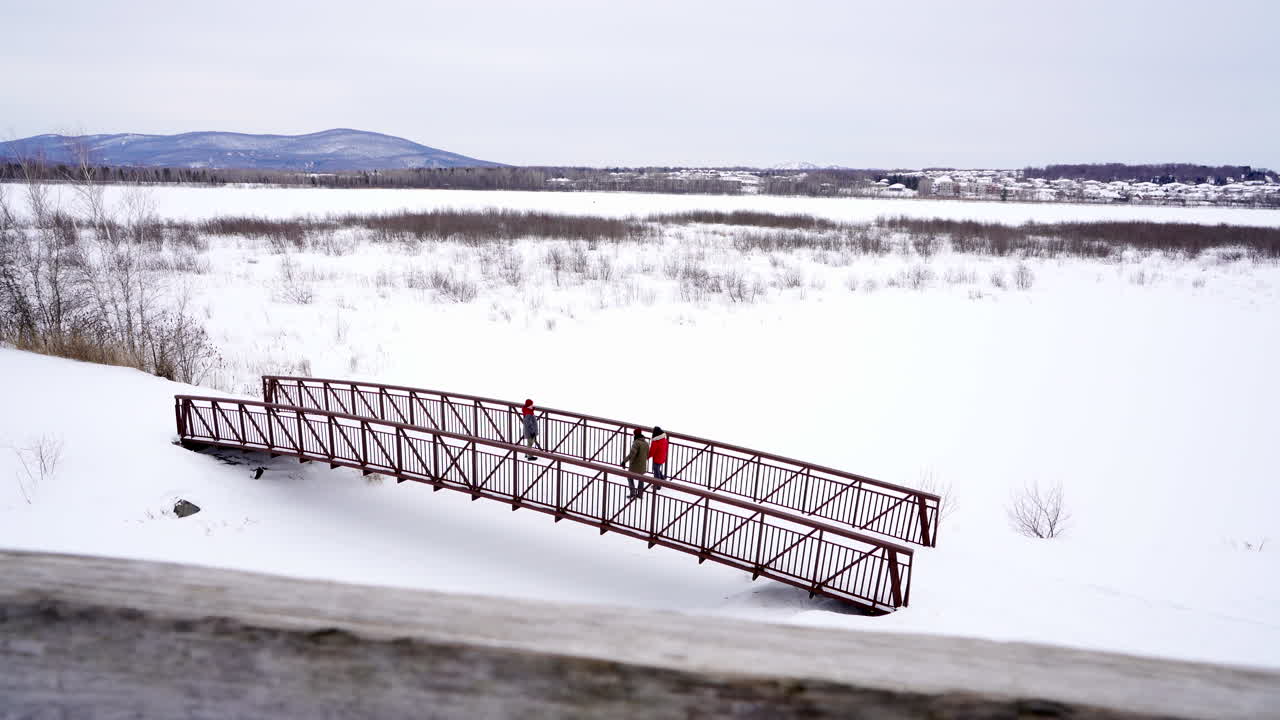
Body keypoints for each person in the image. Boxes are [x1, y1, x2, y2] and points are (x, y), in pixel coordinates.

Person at [621, 428, 649, 499]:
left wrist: (624, 461)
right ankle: (640, 494)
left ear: (635, 434)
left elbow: (632, 454)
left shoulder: (636, 443)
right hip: (643, 465)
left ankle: (633, 493)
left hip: (635, 465)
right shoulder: (646, 443)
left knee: (629, 477)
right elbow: (647, 454)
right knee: (641, 479)